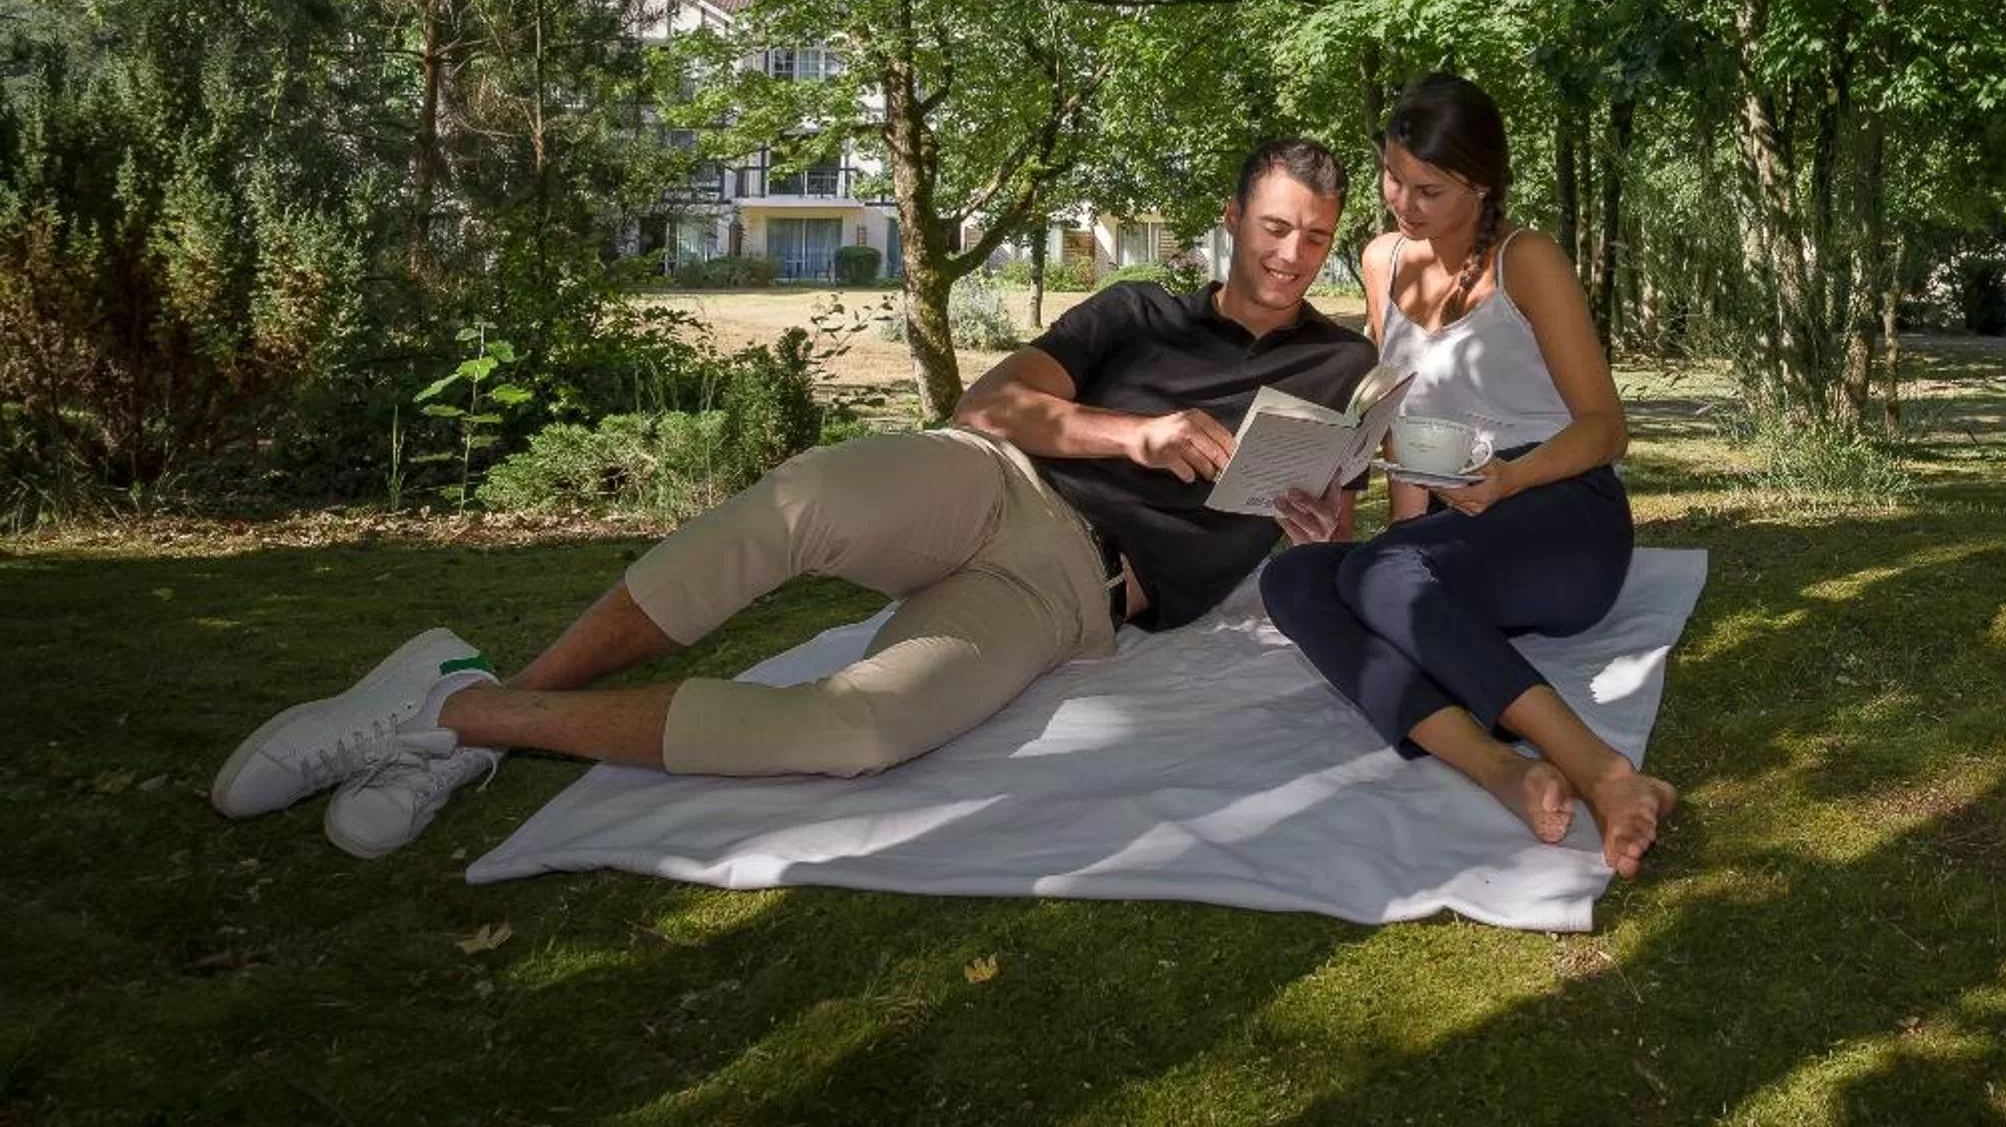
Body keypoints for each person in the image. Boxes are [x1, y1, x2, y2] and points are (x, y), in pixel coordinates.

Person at [214, 140, 1375, 858]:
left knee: (858, 730)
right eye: (1272, 226)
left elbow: (1344, 492)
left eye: (1314, 237)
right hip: (991, 484)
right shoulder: (1137, 310)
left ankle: (461, 717)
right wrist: (1135, 431)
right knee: (803, 498)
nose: (1289, 254)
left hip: (1076, 598)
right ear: (1231, 217)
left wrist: (1316, 521)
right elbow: (987, 404)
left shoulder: (1338, 365)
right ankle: (487, 703)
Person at [1258, 73, 1675, 877]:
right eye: (1392, 177)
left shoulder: (1529, 260)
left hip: (1561, 508)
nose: (1402, 205)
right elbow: (1405, 423)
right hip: (1458, 513)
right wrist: (1369, 511)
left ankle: (1604, 772)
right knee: (1298, 583)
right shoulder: (1381, 261)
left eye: (1429, 188)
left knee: (1382, 574)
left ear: (1481, 186)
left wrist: (1510, 484)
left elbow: (1606, 427)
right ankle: (1502, 768)